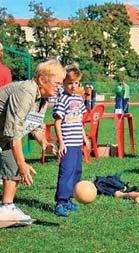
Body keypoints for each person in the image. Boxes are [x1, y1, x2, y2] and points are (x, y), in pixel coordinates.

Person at [0, 59, 65, 226]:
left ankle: (6, 208)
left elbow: (34, 125)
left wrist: (44, 142)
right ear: (42, 79)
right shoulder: (26, 92)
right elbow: (13, 131)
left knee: (12, 165)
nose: (60, 86)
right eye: (57, 82)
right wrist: (22, 162)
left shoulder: (43, 98)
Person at [52, 64, 89, 217]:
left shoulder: (79, 99)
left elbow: (79, 120)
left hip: (77, 143)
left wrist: (84, 137)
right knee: (66, 172)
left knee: (76, 171)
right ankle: (60, 202)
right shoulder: (62, 99)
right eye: (70, 83)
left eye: (76, 83)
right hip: (67, 143)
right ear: (63, 84)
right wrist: (61, 142)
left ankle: (69, 200)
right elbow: (57, 122)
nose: (73, 86)